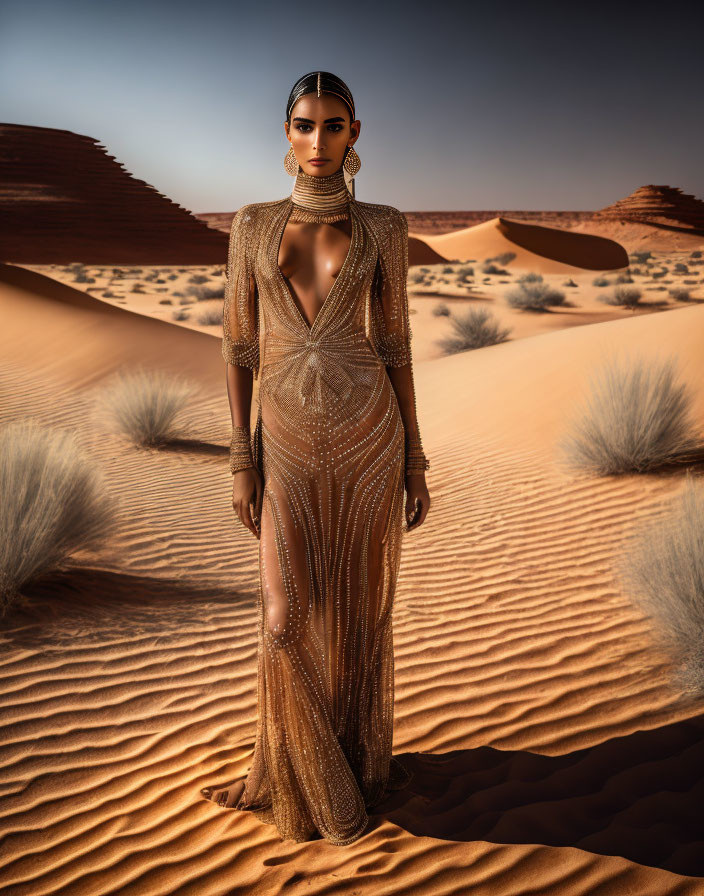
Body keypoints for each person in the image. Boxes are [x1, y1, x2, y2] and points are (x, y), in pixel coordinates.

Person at [199, 71, 431, 845]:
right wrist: (241, 458)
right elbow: (238, 346)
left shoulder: (386, 228)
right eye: (305, 125)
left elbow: (395, 344)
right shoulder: (252, 226)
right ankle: (289, 772)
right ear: (286, 133)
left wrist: (416, 460)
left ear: (355, 135)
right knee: (284, 618)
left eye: (334, 127)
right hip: (285, 441)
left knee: (356, 613)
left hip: (371, 435)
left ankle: (356, 761)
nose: (319, 141)